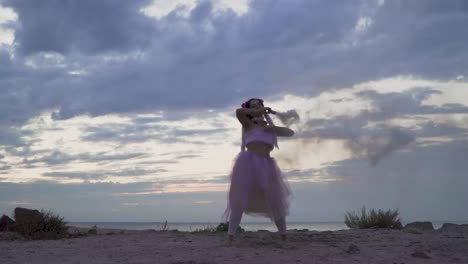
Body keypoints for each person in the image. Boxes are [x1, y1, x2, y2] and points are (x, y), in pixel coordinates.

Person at [223, 98, 294, 245]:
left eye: (259, 104)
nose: (257, 106)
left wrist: (272, 126)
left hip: (267, 165)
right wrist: (258, 111)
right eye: (253, 105)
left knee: (275, 200)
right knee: (239, 200)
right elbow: (239, 112)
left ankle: (284, 236)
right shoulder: (248, 124)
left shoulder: (269, 128)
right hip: (248, 164)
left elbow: (290, 133)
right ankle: (230, 236)